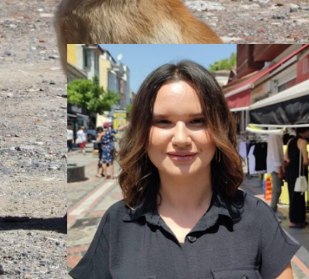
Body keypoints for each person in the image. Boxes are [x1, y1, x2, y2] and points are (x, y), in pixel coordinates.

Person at [70, 60, 298, 279]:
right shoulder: (117, 223)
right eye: (163, 122)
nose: (180, 139)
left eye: (197, 121)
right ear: (142, 133)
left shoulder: (256, 218)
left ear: (219, 129)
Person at [284, 127, 309, 228]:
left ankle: (298, 219)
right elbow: (305, 161)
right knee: (299, 196)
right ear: (306, 131)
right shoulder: (302, 142)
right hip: (299, 173)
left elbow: (286, 157)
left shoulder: (290, 141)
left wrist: (292, 162)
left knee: (293, 196)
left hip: (291, 172)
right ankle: (296, 220)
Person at [266, 130, 286, 220]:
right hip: (276, 168)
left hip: (277, 167)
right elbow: (276, 155)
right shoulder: (274, 136)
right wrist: (280, 169)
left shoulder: (276, 135)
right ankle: (272, 211)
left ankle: (274, 210)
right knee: (276, 190)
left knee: (277, 189)